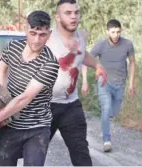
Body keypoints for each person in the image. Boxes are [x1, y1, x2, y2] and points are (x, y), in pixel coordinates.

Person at [0, 11, 60, 166]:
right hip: (10, 126)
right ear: (26, 29)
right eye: (33, 33)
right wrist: (2, 98)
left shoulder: (50, 63)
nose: (37, 40)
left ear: (49, 33)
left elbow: (25, 98)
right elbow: (2, 71)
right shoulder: (13, 46)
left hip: (37, 128)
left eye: (42, 35)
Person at [45, 0, 107, 166]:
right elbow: (25, 54)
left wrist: (96, 65)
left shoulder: (82, 35)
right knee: (35, 154)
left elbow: (82, 53)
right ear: (57, 17)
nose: (74, 16)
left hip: (71, 105)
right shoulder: (47, 37)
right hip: (44, 106)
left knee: (81, 154)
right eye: (68, 13)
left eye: (76, 12)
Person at [82, 19, 136, 152]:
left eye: (118, 32)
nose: (116, 35)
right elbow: (85, 61)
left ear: (121, 31)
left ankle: (108, 119)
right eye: (113, 32)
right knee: (106, 110)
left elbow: (133, 63)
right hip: (104, 83)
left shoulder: (127, 44)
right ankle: (107, 140)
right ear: (107, 32)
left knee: (114, 111)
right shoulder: (100, 45)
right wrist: (84, 81)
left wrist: (131, 83)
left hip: (120, 83)